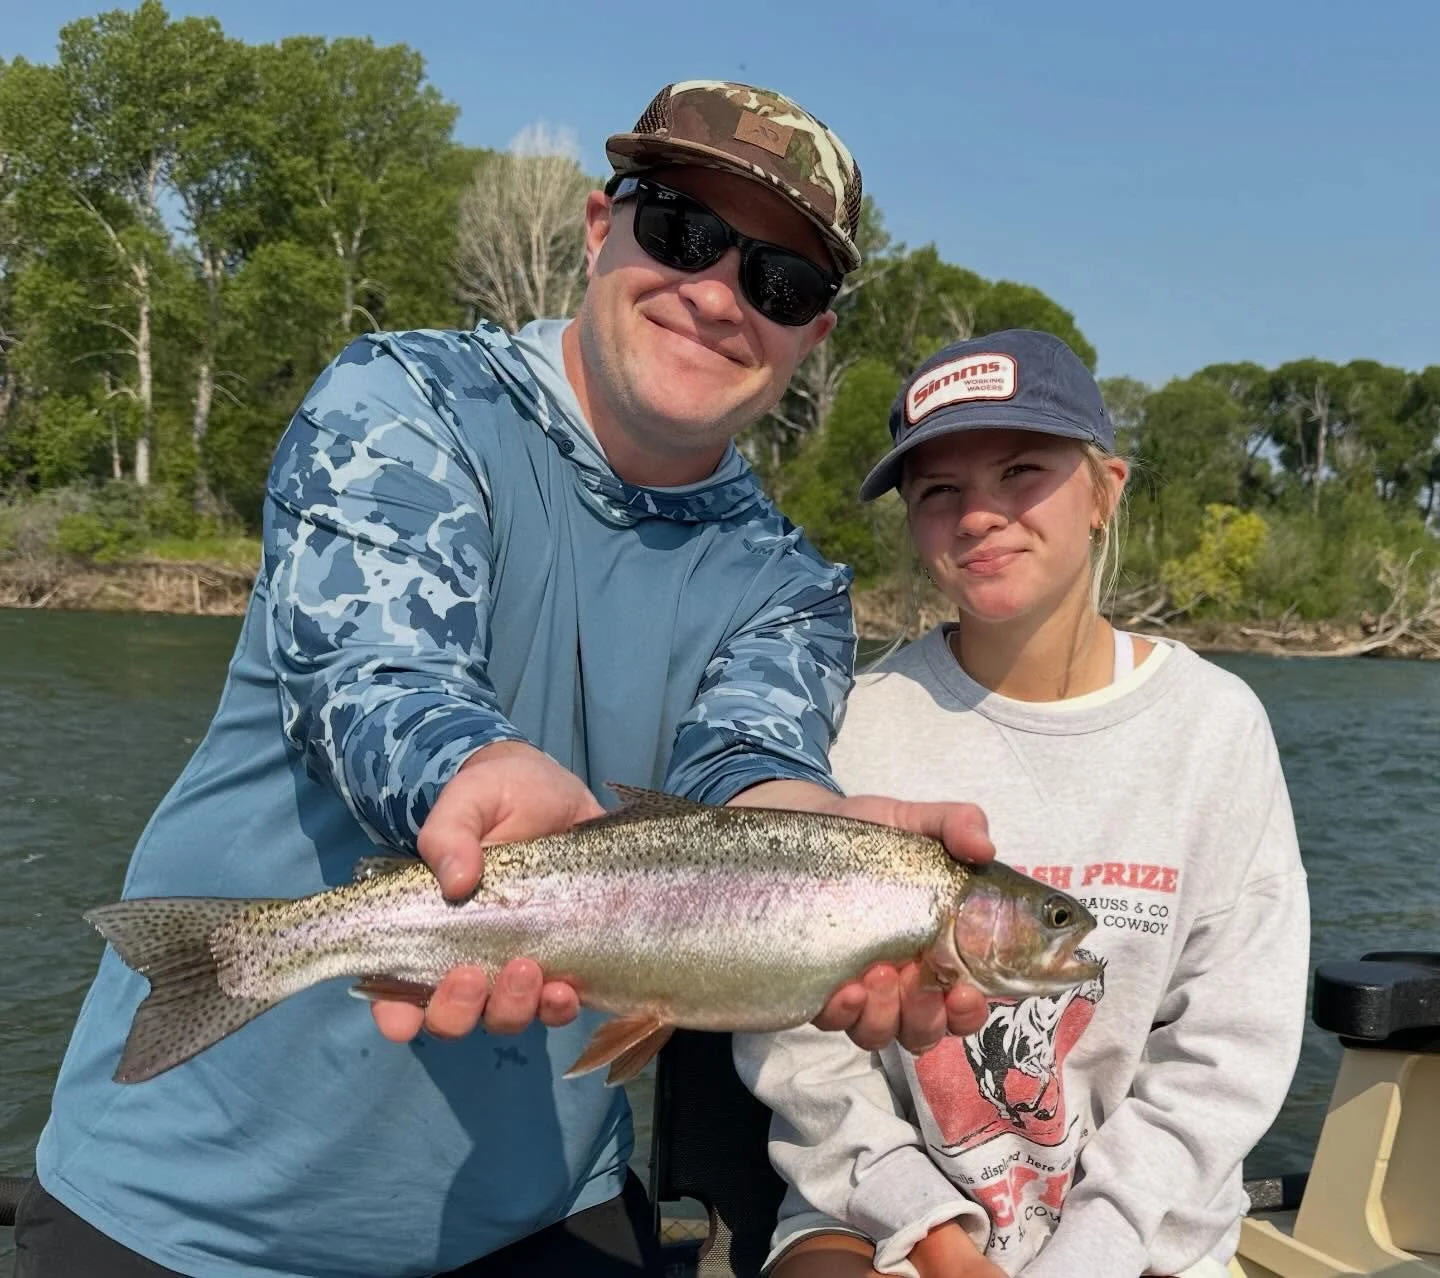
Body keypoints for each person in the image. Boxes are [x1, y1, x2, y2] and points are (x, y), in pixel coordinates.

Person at [16, 82, 999, 1278]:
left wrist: (821, 862)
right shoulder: (405, 398)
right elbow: (374, 667)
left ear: (811, 336)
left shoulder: (793, 585)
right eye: (684, 230)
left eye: (779, 282)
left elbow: (748, 774)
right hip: (182, 1214)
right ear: (600, 228)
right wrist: (469, 769)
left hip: (540, 1216)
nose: (716, 294)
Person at [735, 329, 1311, 1278]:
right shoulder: (848, 735)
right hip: (875, 1215)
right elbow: (796, 1042)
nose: (979, 517)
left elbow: (1228, 1049)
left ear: (1105, 490)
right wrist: (935, 1232)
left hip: (1145, 1232)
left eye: (1022, 471)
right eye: (939, 492)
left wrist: (1089, 1250)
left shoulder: (1216, 728)